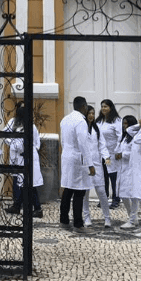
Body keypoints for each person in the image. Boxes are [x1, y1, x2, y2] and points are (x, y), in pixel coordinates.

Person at [59, 96, 98, 231]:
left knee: (68, 189)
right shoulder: (81, 121)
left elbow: (63, 141)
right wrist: (90, 164)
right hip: (77, 159)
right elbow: (83, 144)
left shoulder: (65, 119)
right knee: (79, 192)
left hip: (67, 156)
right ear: (84, 106)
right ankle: (78, 224)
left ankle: (64, 220)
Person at [2, 101, 44, 218]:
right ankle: (16, 205)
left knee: (30, 183)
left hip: (28, 158)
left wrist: (30, 150)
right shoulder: (12, 122)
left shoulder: (31, 126)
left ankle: (37, 208)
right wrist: (12, 143)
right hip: (16, 158)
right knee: (17, 182)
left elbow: (37, 142)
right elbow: (4, 135)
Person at [81, 105, 112, 228]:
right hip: (84, 165)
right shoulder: (81, 128)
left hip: (97, 164)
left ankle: (107, 218)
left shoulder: (97, 129)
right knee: (85, 193)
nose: (91, 116)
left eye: (93, 113)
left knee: (101, 192)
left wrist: (107, 159)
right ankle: (86, 217)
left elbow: (102, 146)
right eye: (89, 113)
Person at [96, 99, 123, 209]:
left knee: (113, 177)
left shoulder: (116, 121)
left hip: (112, 154)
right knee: (103, 177)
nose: (103, 108)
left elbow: (120, 136)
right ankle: (104, 198)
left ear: (111, 108)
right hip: (102, 154)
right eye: (102, 106)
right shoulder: (99, 121)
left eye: (106, 106)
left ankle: (116, 199)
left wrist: (118, 151)